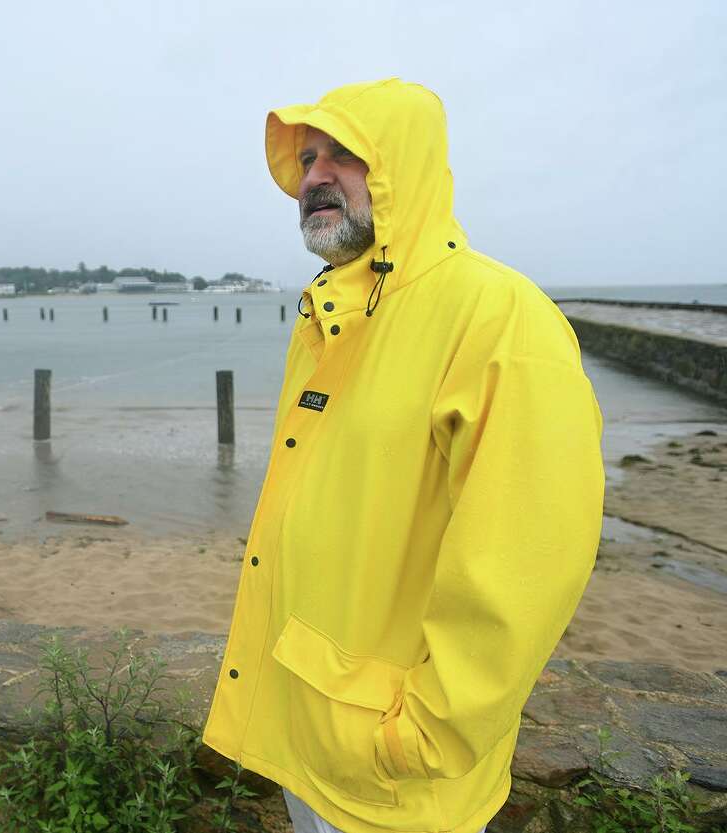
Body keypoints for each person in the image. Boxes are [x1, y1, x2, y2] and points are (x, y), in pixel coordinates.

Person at [200, 77, 605, 833]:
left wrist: (420, 735)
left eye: (346, 153)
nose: (316, 174)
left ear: (404, 165)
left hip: (397, 781)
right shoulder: (332, 311)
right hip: (313, 743)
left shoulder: (499, 319)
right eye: (309, 155)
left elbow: (528, 561)